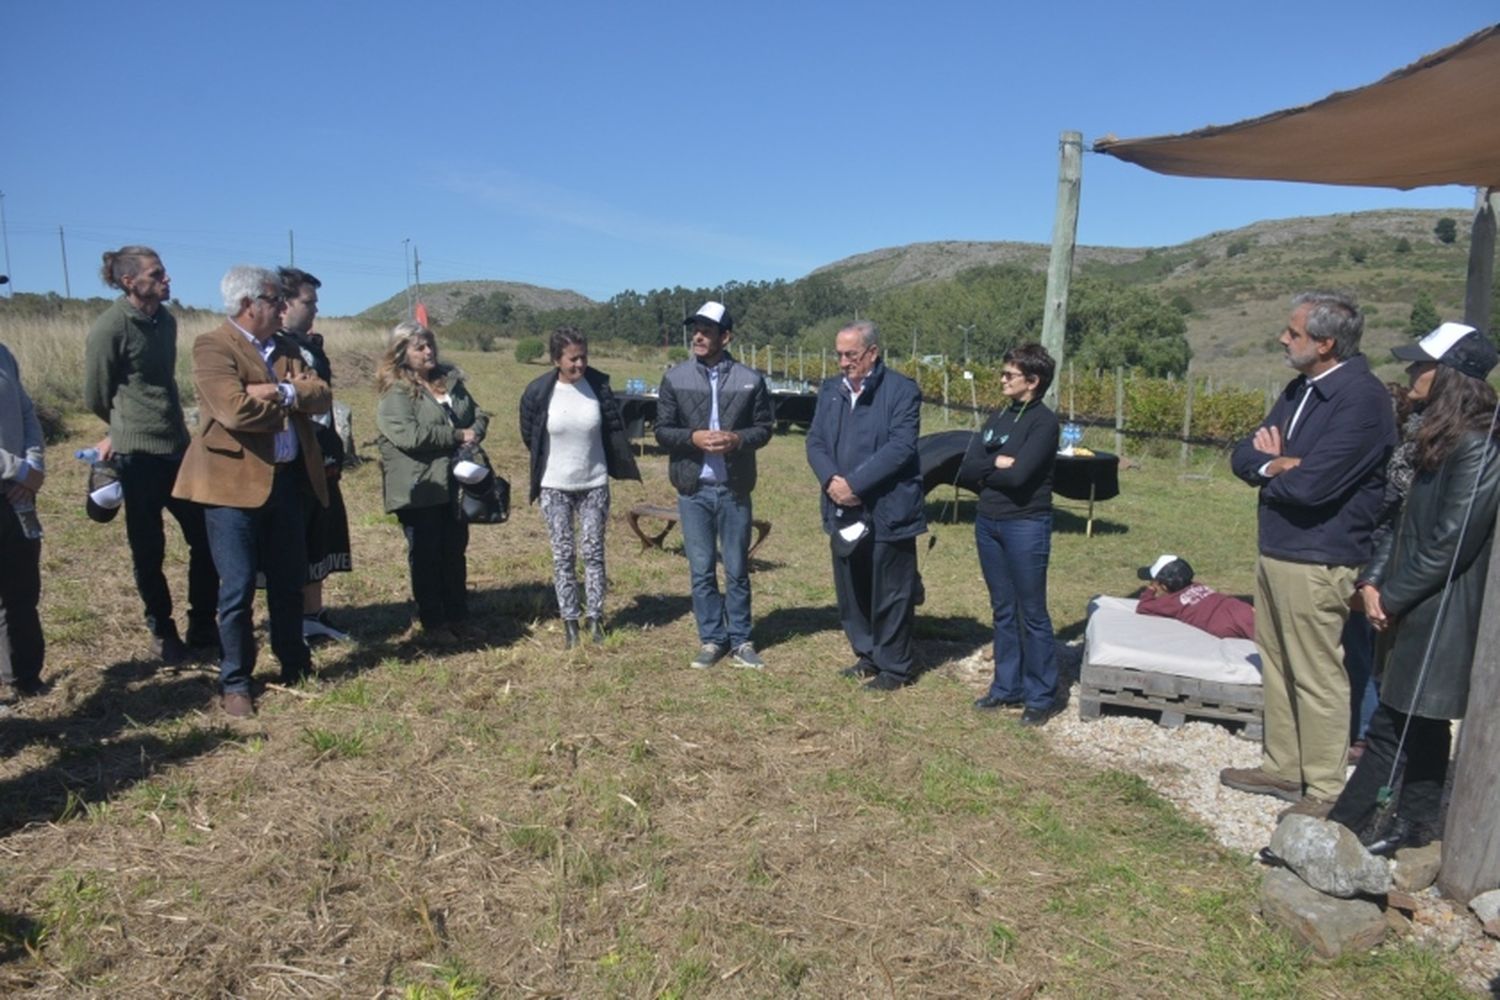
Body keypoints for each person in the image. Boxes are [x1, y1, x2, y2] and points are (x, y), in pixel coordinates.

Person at [1328, 322, 1500, 854]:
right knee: (1419, 723)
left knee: (1391, 726)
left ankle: (1340, 830)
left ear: (1451, 375)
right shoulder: (1439, 438)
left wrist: (1393, 595)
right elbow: (1405, 525)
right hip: (1413, 600)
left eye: (1421, 364)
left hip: (1442, 609)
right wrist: (1374, 581)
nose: (1410, 373)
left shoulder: (1479, 447)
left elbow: (1452, 542)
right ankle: (1416, 825)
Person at [1222, 291, 1396, 815]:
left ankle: (1322, 788)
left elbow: (1313, 489)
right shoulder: (1302, 389)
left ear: (1326, 342)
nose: (1282, 339)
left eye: (1293, 333)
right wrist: (1277, 465)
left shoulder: (1361, 400)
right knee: (1277, 663)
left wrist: (1278, 470)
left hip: (1319, 555)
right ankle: (1283, 767)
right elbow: (1243, 455)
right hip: (1278, 547)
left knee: (1317, 672)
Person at [172, 266, 330, 718]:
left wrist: (276, 390)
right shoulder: (212, 346)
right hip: (230, 489)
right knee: (237, 589)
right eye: (274, 299)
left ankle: (294, 663)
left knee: (287, 583)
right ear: (248, 304)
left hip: (285, 482)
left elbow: (319, 393)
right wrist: (288, 395)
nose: (283, 306)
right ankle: (236, 680)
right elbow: (233, 410)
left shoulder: (286, 348)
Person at [84, 245, 218, 665]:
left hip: (177, 448)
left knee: (206, 537)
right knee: (149, 550)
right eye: (157, 274)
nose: (167, 279)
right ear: (130, 281)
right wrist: (124, 429)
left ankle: (203, 625)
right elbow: (96, 394)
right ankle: (162, 632)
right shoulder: (110, 328)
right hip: (137, 456)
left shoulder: (167, 321)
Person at [807, 320, 928, 691]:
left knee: (890, 588)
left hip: (888, 507)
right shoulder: (831, 391)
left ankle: (895, 667)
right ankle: (868, 653)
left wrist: (856, 484)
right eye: (839, 355)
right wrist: (832, 482)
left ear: (872, 353)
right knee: (852, 584)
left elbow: (901, 446)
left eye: (851, 354)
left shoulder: (901, 391)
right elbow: (815, 441)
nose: (843, 362)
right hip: (842, 505)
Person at [654, 301, 773, 669]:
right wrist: (693, 438)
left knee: (736, 568)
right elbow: (661, 431)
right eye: (696, 329)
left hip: (734, 489)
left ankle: (740, 639)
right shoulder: (675, 378)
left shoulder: (751, 379)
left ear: (726, 336)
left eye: (707, 330)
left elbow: (765, 428)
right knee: (702, 569)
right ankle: (711, 639)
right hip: (694, 491)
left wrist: (737, 440)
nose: (699, 336)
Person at [519, 326, 640, 648]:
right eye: (573, 359)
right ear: (557, 359)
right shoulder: (538, 392)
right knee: (563, 555)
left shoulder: (598, 387)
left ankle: (596, 618)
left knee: (593, 553)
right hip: (554, 486)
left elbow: (614, 428)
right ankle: (570, 621)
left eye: (584, 357)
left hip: (594, 484)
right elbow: (529, 434)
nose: (580, 365)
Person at [957, 343, 1060, 720]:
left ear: (1032, 381)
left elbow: (1019, 477)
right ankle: (1006, 686)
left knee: (1031, 611)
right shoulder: (1000, 415)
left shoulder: (1044, 423)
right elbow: (966, 467)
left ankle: (1040, 696)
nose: (1002, 379)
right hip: (988, 522)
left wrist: (989, 468)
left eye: (1009, 375)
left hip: (1025, 524)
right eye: (1003, 373)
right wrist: (992, 464)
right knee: (1002, 608)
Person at [376, 321, 488, 646]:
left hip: (455, 483)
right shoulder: (395, 391)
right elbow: (408, 435)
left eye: (430, 345)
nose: (429, 352)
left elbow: (477, 413)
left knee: (454, 551)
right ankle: (434, 621)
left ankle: (459, 617)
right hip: (420, 487)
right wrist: (456, 435)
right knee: (426, 555)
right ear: (401, 354)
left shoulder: (449, 382)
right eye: (419, 347)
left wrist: (476, 430)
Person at [277, 267, 352, 642]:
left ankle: (314, 613)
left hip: (323, 454)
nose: (315, 309)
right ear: (285, 302)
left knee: (321, 532)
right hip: (295, 457)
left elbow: (320, 394)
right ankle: (296, 618)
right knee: (298, 539)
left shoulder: (309, 345)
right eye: (309, 302)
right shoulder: (275, 346)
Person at [0, 340, 45, 701]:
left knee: (22, 588)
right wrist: (18, 470)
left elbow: (27, 413)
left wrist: (34, 468)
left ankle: (25, 677)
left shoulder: (4, 354)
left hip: (16, 494)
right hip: (14, 479)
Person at [1135, 554, 1255, 641]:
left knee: (1268, 638)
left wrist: (1150, 590)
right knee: (1267, 632)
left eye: (1154, 581)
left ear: (1164, 586)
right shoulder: (1196, 585)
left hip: (1222, 624)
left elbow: (1143, 607)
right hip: (1236, 607)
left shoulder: (1170, 603)